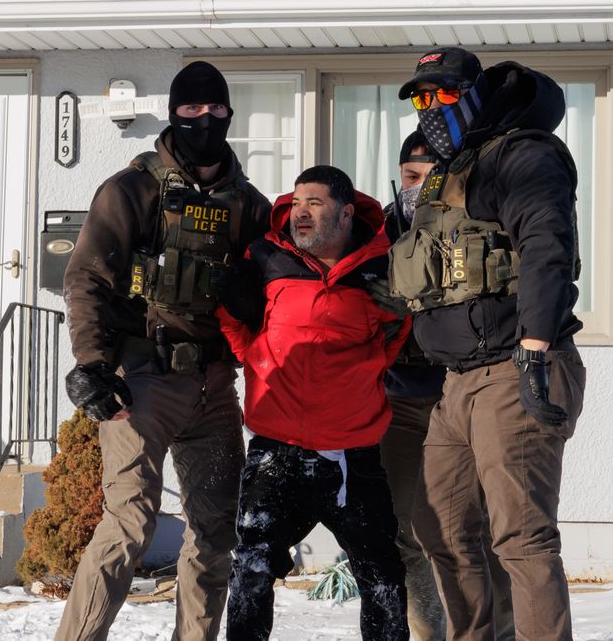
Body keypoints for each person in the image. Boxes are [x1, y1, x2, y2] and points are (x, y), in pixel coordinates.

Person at [58, 60, 272, 641]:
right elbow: (86, 281)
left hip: (213, 385)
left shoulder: (250, 205)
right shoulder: (132, 190)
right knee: (129, 522)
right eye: (191, 110)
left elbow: (272, 299)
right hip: (140, 381)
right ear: (173, 112)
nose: (205, 119)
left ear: (230, 113)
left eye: (216, 109)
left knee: (215, 532)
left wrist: (247, 298)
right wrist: (93, 366)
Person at [390, 47, 587, 640]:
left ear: (477, 92)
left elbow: (547, 247)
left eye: (444, 95)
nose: (430, 109)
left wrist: (533, 347)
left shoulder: (522, 155)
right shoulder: (451, 174)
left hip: (515, 365)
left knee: (522, 537)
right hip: (456, 382)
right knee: (443, 528)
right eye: (421, 99)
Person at [218, 165, 409, 641]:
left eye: (315, 204)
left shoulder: (381, 267)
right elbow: (231, 314)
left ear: (345, 213)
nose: (301, 213)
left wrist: (361, 373)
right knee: (252, 568)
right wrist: (257, 358)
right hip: (276, 448)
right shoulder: (265, 257)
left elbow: (393, 336)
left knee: (382, 575)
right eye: (297, 203)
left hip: (353, 453)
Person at [378, 132, 515, 641]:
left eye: (426, 176)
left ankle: (501, 631)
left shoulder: (479, 220)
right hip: (399, 399)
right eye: (408, 177)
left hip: (464, 392)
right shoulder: (384, 230)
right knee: (406, 529)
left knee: (479, 528)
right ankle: (428, 631)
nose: (416, 188)